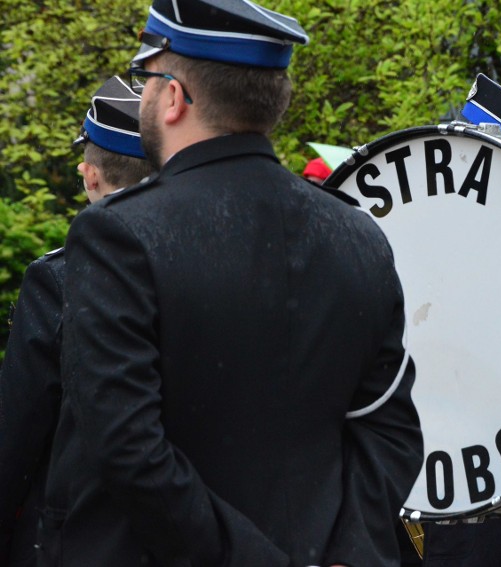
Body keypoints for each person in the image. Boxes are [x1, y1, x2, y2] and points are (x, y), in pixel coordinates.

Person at [38, 0, 423, 565]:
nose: (143, 94)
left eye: (148, 78)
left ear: (173, 97)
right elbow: (389, 427)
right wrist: (349, 553)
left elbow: (125, 446)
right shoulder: (357, 232)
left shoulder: (116, 233)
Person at [0, 76, 155, 566]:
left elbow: (19, 429)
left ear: (90, 175)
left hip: (80, 536)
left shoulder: (59, 278)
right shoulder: (221, 262)